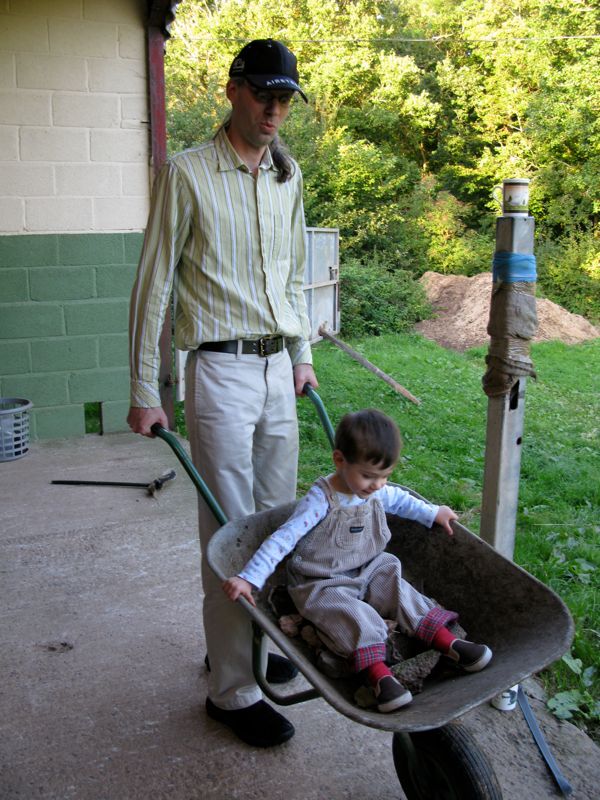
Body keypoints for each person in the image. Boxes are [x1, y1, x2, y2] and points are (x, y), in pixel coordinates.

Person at [127, 39, 318, 747]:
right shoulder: (186, 174)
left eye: (285, 98)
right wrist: (147, 388)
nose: (275, 109)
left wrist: (300, 355)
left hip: (276, 374)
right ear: (232, 91)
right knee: (233, 534)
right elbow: (153, 289)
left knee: (277, 527)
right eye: (264, 94)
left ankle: (246, 649)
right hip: (221, 373)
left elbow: (293, 279)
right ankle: (232, 693)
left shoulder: (285, 177)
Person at [223, 409, 492, 713]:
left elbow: (402, 500)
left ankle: (447, 642)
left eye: (385, 477)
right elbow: (284, 537)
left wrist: (432, 513)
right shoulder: (320, 500)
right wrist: (250, 577)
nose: (377, 485)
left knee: (392, 575)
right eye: (368, 475)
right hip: (322, 581)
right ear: (340, 460)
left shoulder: (375, 491)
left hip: (367, 567)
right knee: (351, 613)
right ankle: (379, 678)